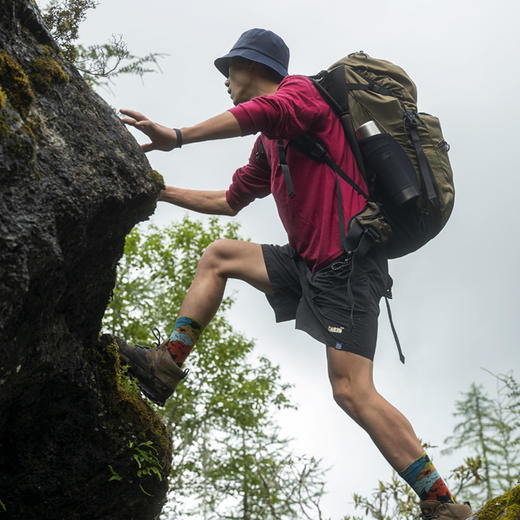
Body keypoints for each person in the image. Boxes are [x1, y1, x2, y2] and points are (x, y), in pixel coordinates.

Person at [117, 28, 472, 520]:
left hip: (347, 266)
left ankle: (442, 503)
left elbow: (258, 114)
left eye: (231, 68)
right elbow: (227, 201)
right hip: (305, 262)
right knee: (221, 256)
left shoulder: (300, 96)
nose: (225, 79)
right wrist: (153, 187)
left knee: (352, 391)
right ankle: (165, 364)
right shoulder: (270, 145)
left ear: (257, 68)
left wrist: (177, 137)